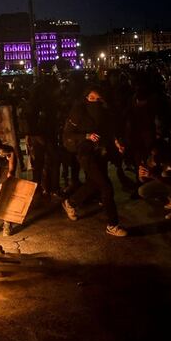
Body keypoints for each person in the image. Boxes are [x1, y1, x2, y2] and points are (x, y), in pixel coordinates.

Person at [61, 86, 129, 237]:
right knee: (106, 186)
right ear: (85, 99)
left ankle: (71, 202)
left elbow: (108, 130)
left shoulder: (103, 112)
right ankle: (112, 224)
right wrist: (86, 136)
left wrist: (116, 142)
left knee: (94, 183)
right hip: (85, 154)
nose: (95, 102)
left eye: (97, 99)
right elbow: (67, 135)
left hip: (100, 152)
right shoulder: (78, 112)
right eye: (91, 99)